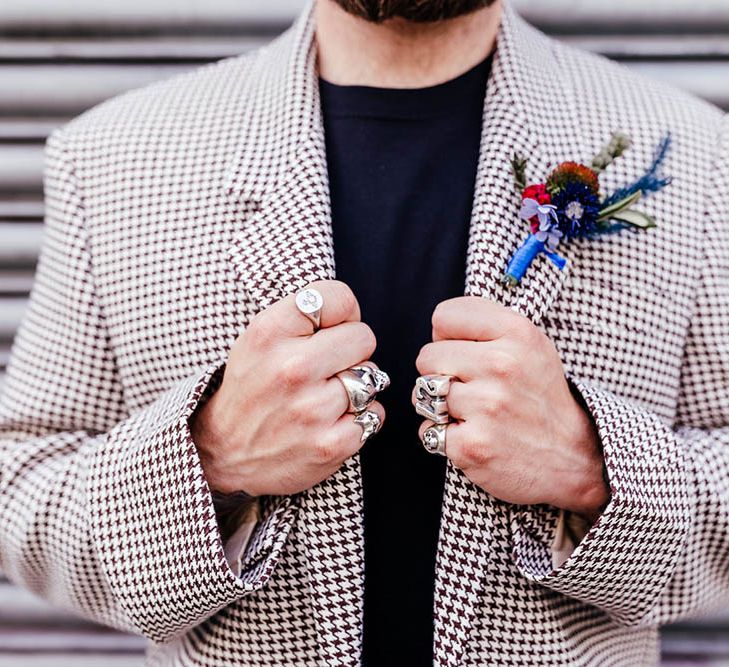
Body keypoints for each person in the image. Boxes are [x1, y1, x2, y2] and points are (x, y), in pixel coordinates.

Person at [1, 0, 727, 664]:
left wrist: (591, 470)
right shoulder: (113, 156)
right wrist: (209, 457)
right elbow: (19, 490)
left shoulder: (693, 151)